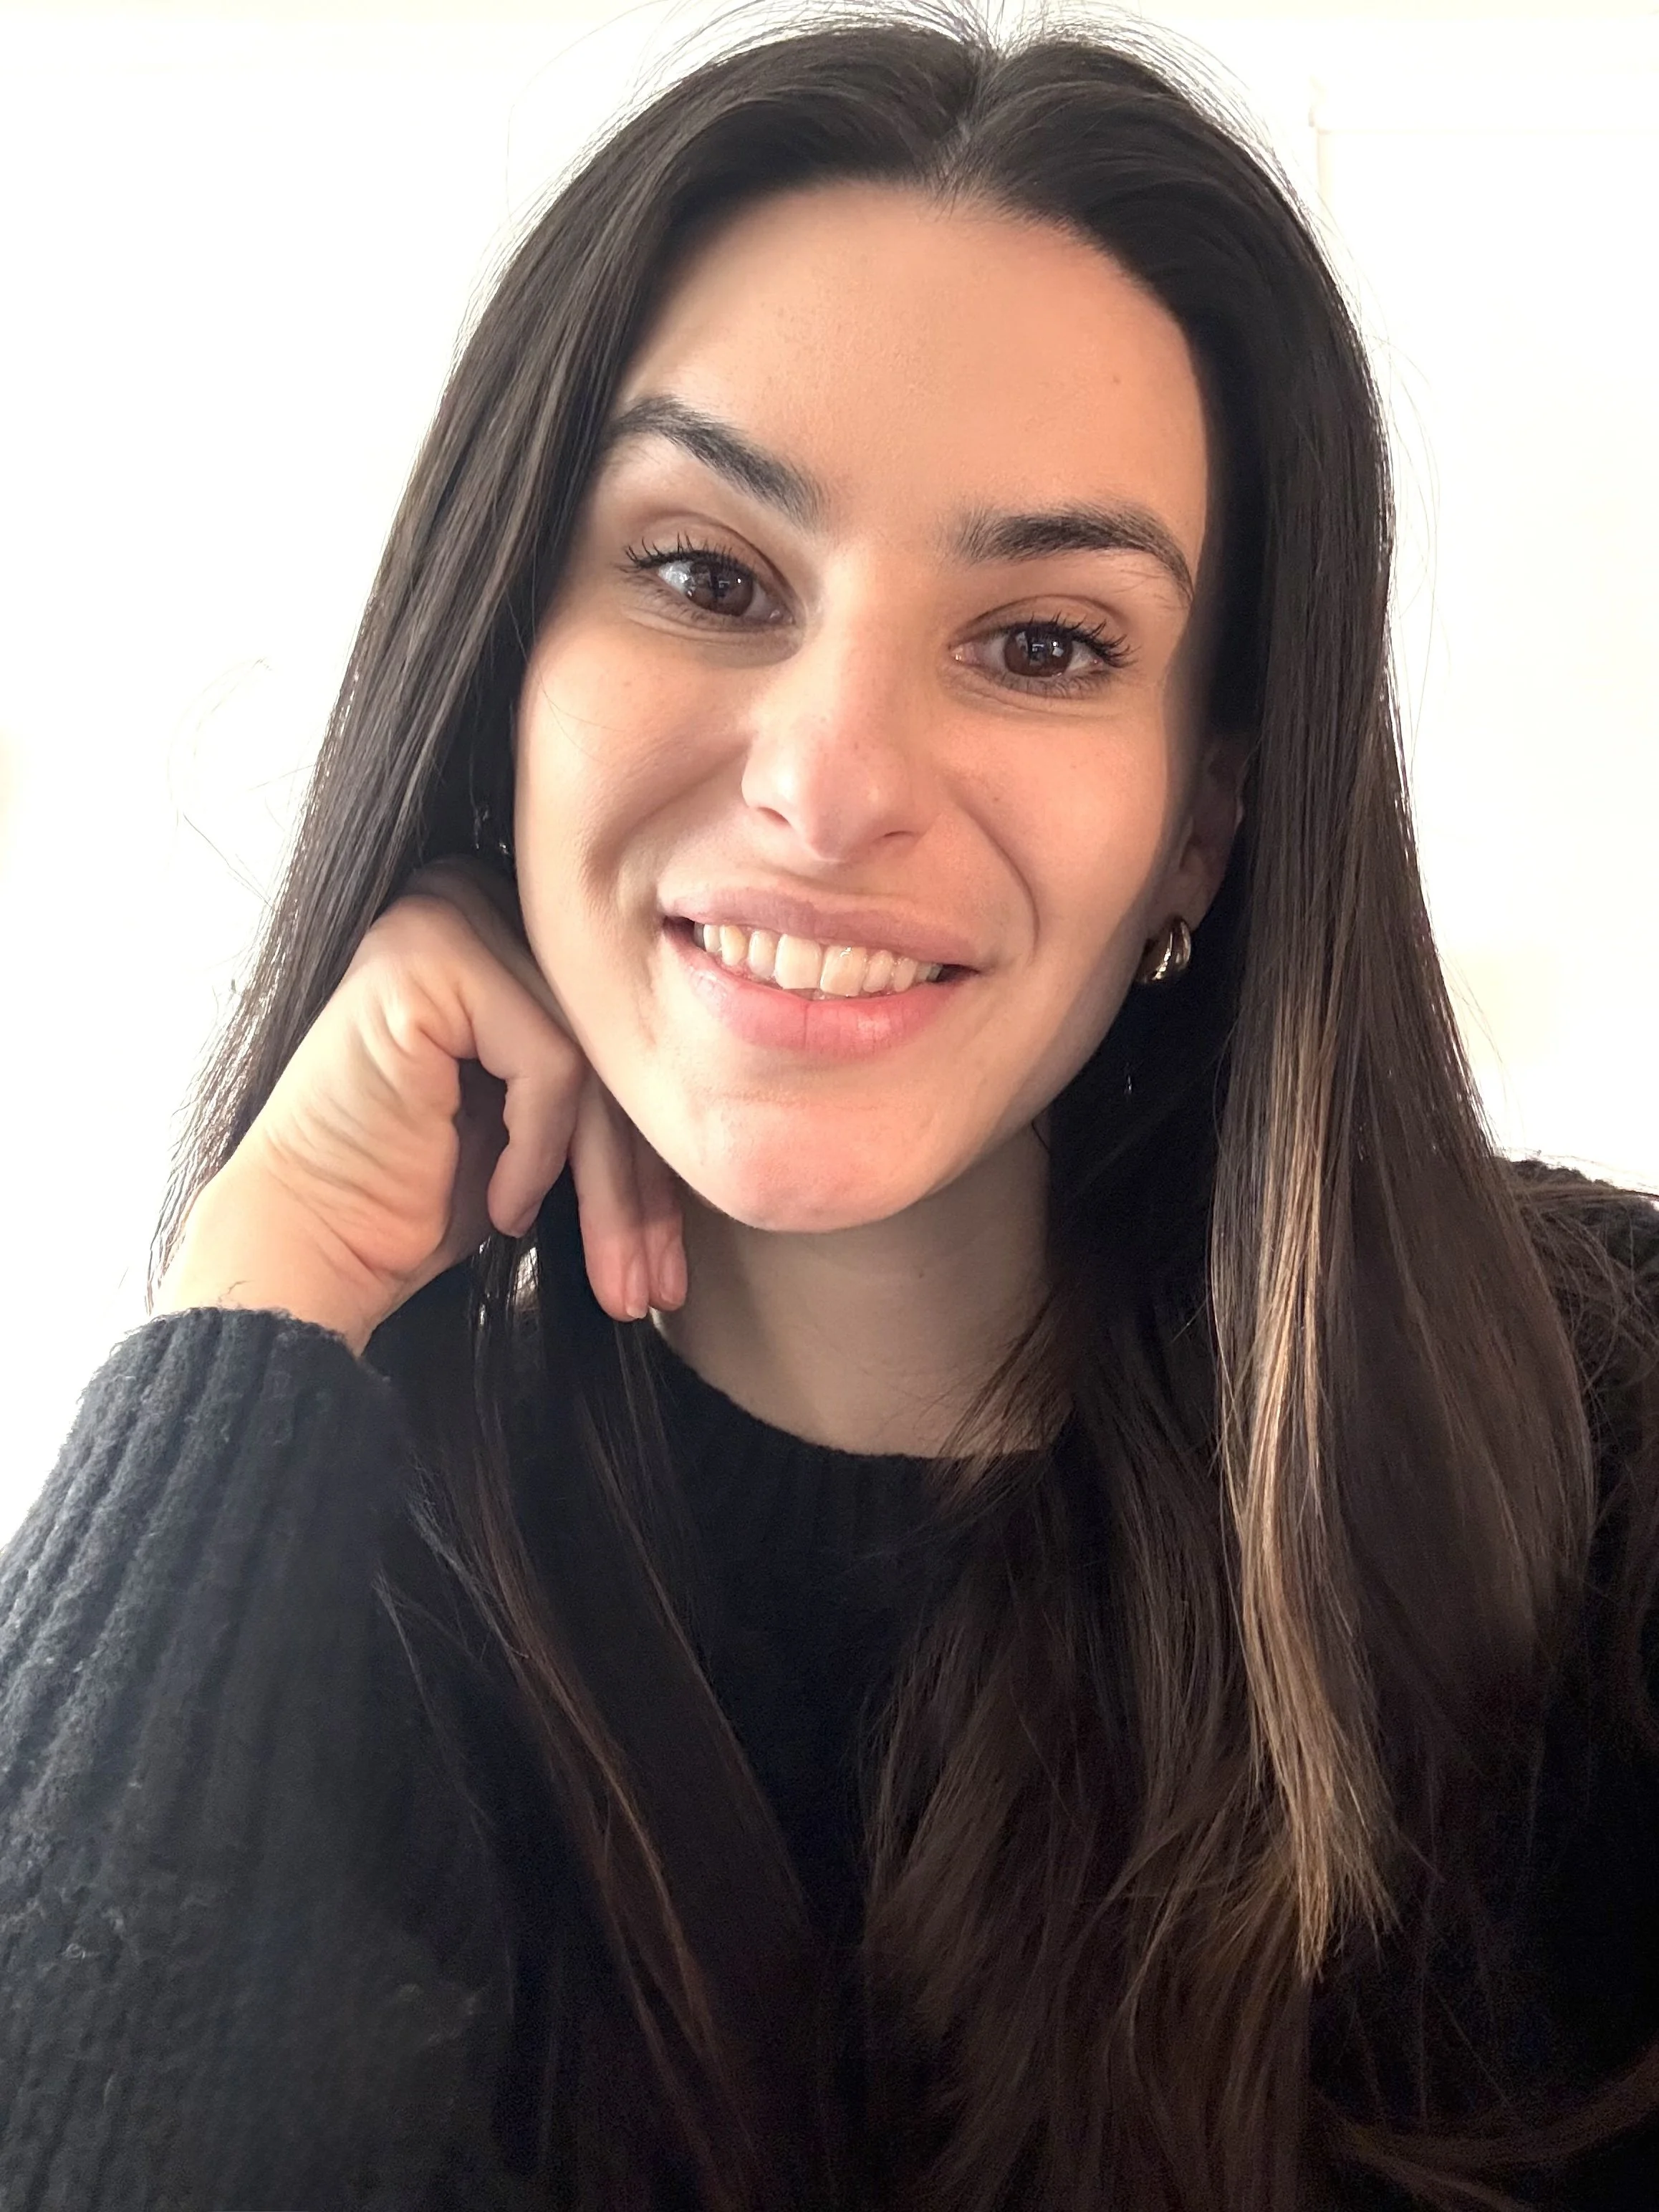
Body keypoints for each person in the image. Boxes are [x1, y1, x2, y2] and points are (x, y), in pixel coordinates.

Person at [1, 5, 1655, 2208]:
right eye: (705, 576)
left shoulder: (1601, 1431)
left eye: (1045, 642)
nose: (833, 778)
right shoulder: (335, 1552)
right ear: (501, 679)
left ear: (1203, 823)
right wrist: (255, 1286)